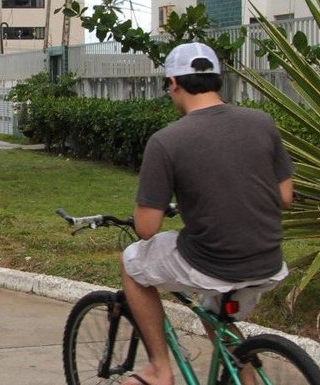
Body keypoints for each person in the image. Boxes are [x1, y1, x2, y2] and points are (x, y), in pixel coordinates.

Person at [120, 43, 294, 385]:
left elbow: (146, 228)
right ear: (217, 79)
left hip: (214, 263)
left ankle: (158, 369)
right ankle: (246, 375)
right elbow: (285, 197)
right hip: (268, 262)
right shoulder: (262, 122)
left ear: (173, 83)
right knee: (214, 312)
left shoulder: (167, 140)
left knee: (131, 263)